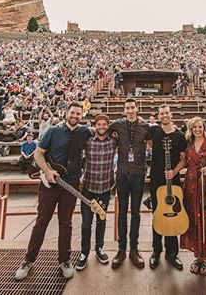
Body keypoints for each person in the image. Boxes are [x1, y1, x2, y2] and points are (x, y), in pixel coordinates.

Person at [15, 103, 92, 281]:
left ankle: (64, 260)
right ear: (66, 113)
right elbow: (38, 153)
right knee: (41, 221)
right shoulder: (53, 131)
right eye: (72, 112)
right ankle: (28, 260)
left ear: (82, 116)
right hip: (50, 183)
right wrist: (48, 171)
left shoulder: (85, 132)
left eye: (78, 113)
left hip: (70, 184)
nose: (74, 115)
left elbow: (103, 131)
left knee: (66, 223)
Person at [109, 98, 152, 269]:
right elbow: (102, 128)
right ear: (124, 109)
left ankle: (134, 249)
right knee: (121, 212)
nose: (130, 110)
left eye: (133, 107)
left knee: (135, 212)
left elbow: (153, 141)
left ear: (137, 108)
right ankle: (121, 249)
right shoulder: (117, 125)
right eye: (127, 108)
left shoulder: (145, 126)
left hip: (138, 173)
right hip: (122, 173)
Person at [75, 114, 116, 271]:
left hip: (105, 187)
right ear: (95, 126)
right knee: (86, 222)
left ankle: (99, 248)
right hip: (88, 188)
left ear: (108, 126)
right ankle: (84, 252)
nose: (101, 127)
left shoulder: (113, 141)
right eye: (98, 124)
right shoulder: (88, 141)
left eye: (104, 124)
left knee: (102, 220)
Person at [148, 105, 186, 271]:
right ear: (158, 116)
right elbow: (147, 142)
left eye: (166, 113)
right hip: (156, 178)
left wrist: (174, 171)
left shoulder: (179, 135)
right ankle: (156, 251)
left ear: (171, 115)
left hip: (174, 180)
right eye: (161, 113)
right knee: (157, 213)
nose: (164, 115)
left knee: (174, 213)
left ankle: (173, 253)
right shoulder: (154, 131)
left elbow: (184, 158)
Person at [180, 117, 206, 276]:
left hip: (204, 185)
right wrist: (177, 171)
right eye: (194, 127)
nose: (197, 129)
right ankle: (197, 258)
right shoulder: (188, 144)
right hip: (190, 185)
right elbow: (184, 162)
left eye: (200, 126)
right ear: (191, 128)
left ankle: (205, 259)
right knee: (193, 219)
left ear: (204, 128)